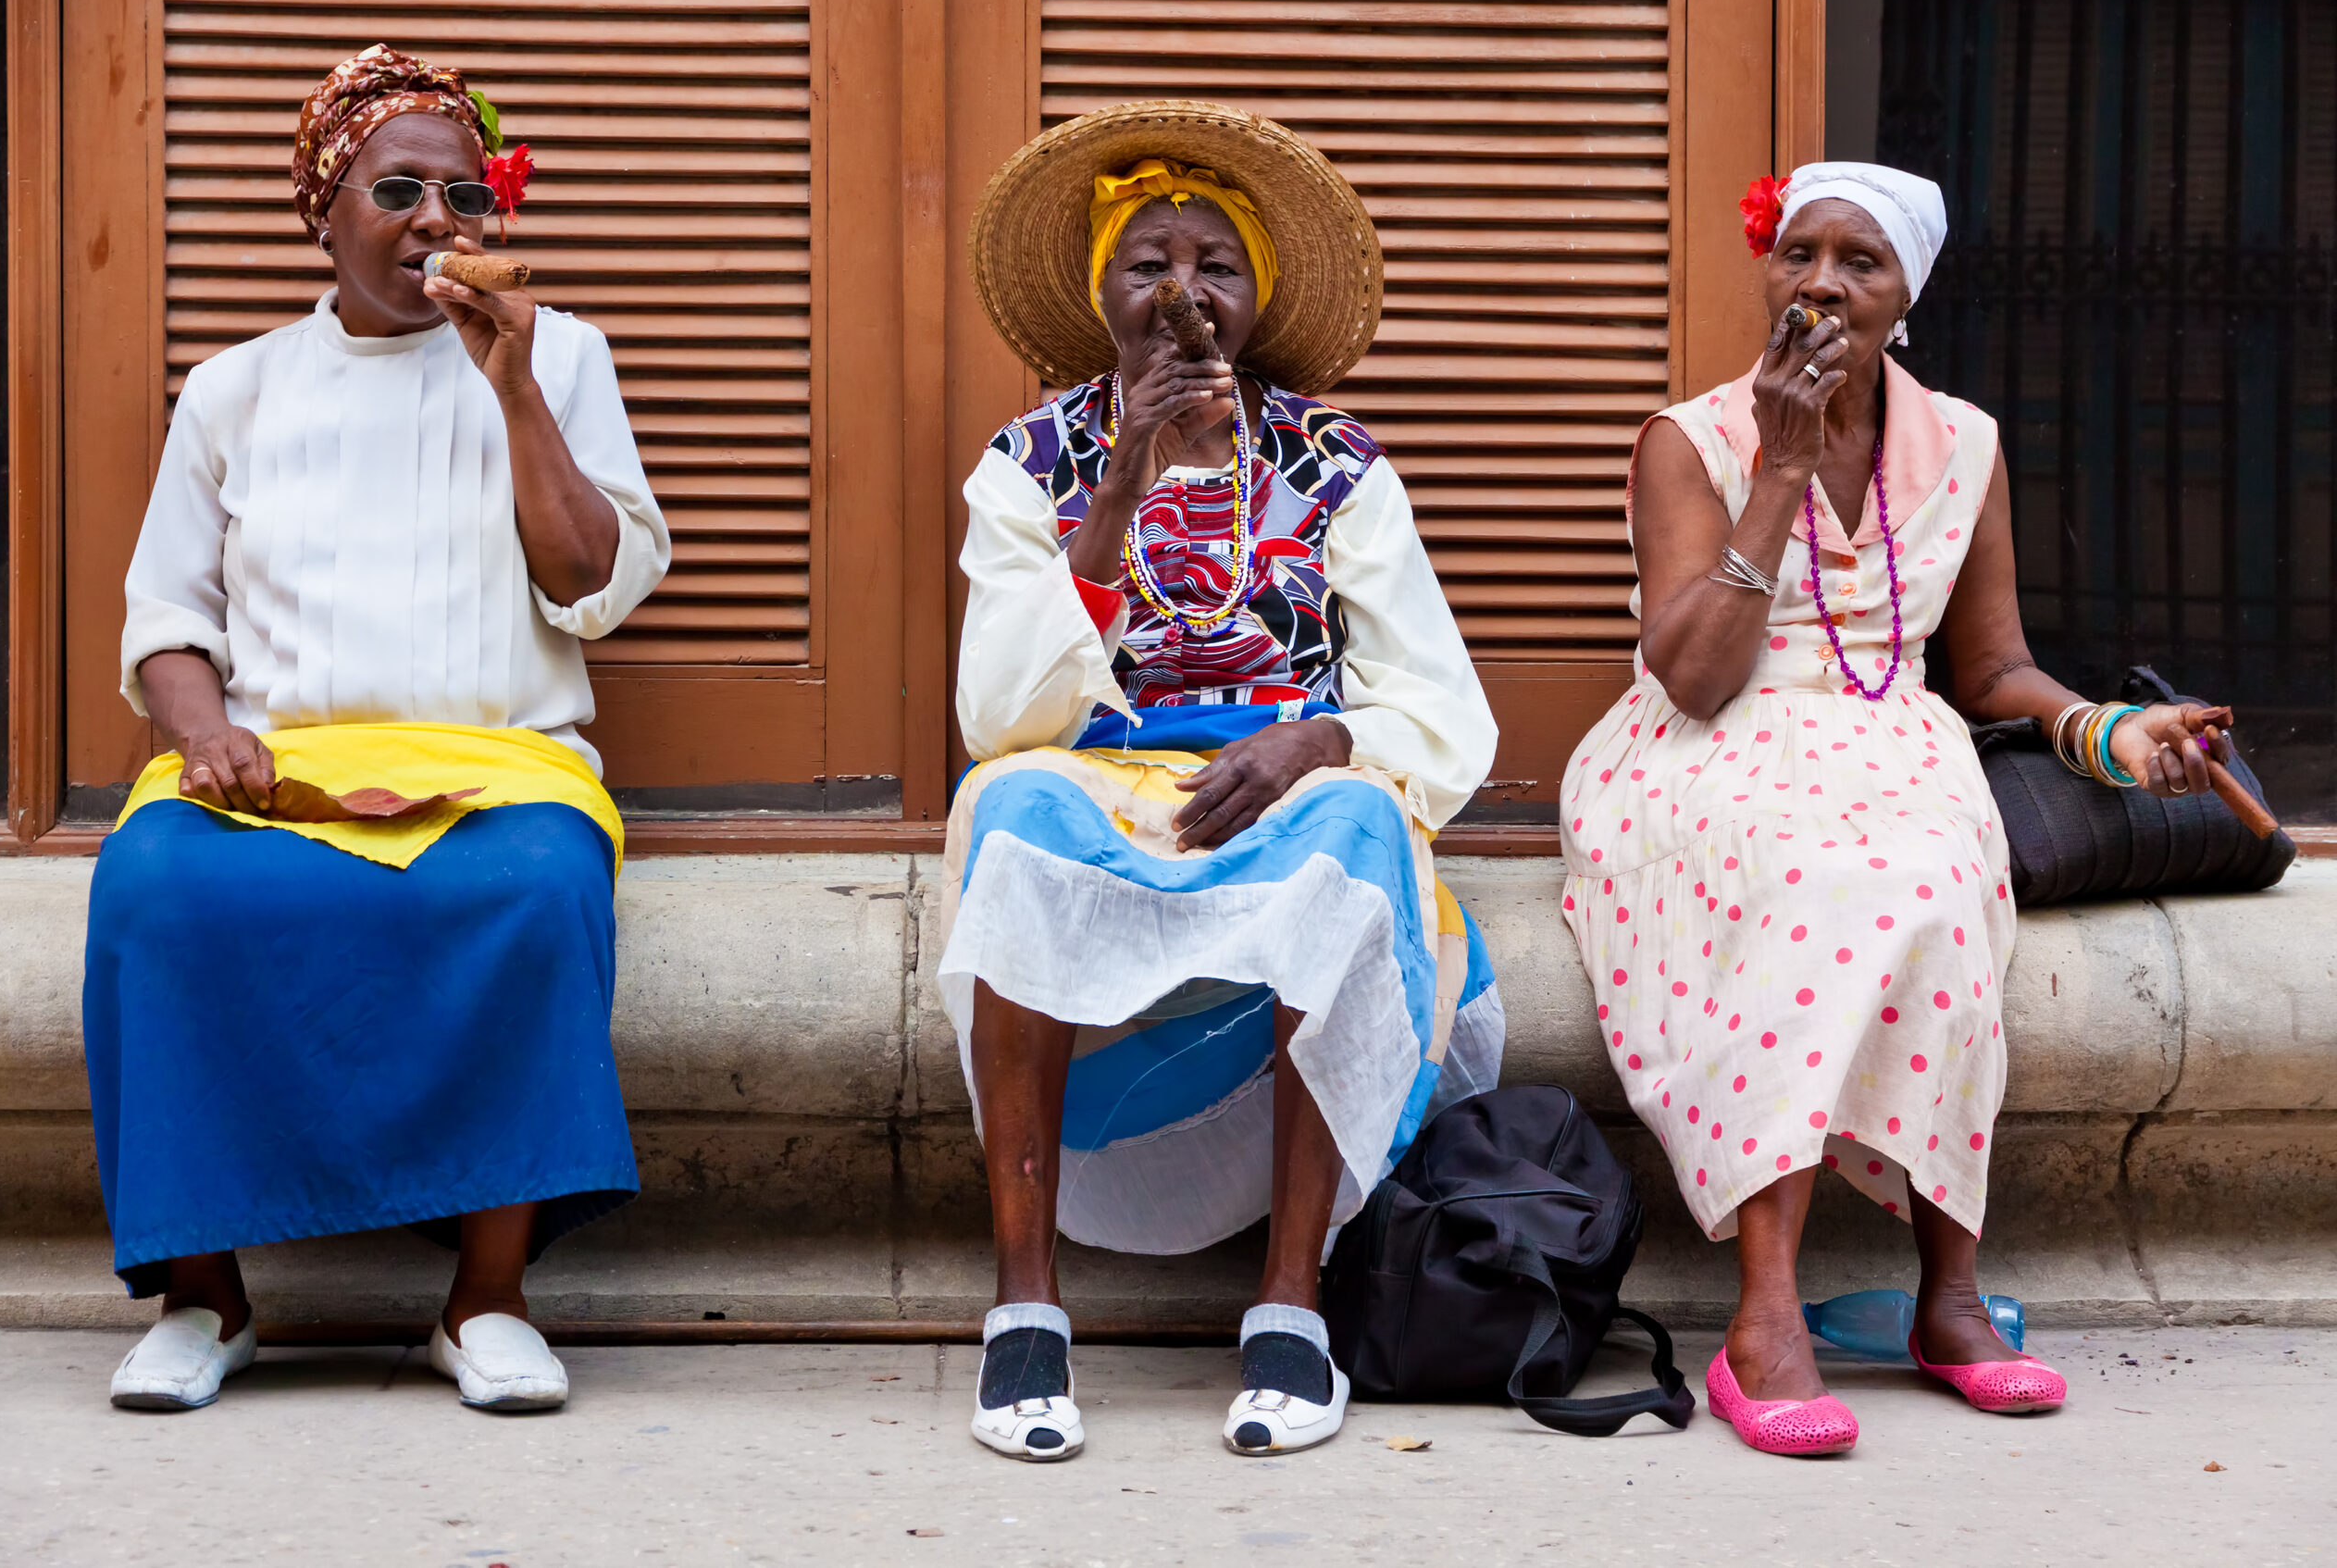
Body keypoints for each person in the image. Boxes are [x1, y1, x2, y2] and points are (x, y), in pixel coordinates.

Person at [1563, 162, 2239, 1455]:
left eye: (1858, 261)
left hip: (1896, 744)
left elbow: (1987, 665)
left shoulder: (1966, 445)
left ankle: (1949, 1295)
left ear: (1905, 295)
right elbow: (1695, 676)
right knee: (1809, 883)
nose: (1820, 281)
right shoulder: (1686, 441)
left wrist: (2105, 728)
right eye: (1798, 253)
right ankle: (1765, 1316)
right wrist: (1777, 465)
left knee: (1932, 884)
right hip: (1709, 747)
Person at [87, 44, 668, 1415]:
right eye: (395, 189)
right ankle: (203, 1296)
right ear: (326, 210)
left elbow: (593, 582)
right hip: (281, 771)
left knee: (536, 884)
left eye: (465, 195)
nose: (434, 223)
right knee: (153, 881)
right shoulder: (236, 389)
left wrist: (514, 385)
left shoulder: (561, 354)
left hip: (500, 766)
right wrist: (204, 733)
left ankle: (487, 1298)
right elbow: (166, 617)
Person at [944, 101, 1501, 1462]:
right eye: (1148, 264)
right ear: (1101, 300)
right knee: (1012, 816)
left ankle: (1290, 1307)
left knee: (1365, 822)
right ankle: (1025, 1306)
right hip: (1101, 773)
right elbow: (997, 712)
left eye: (1215, 266)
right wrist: (1123, 470)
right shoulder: (1031, 462)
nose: (1183, 294)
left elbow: (1438, 702)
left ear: (1252, 303)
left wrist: (1319, 737)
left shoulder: (1337, 464)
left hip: (1288, 770)